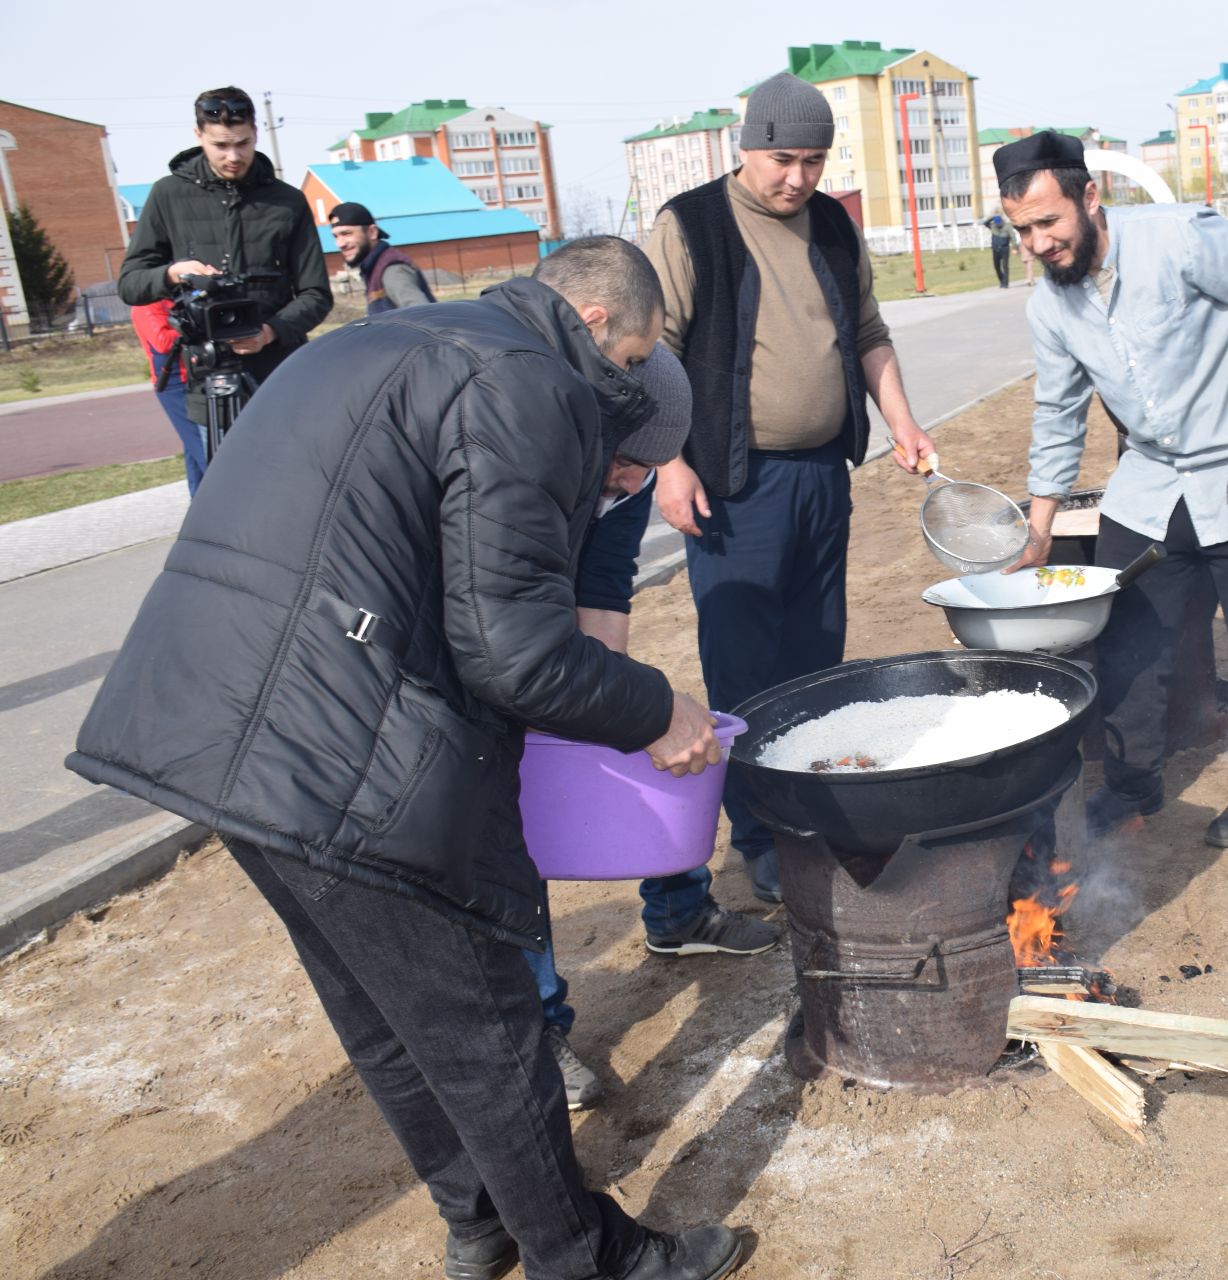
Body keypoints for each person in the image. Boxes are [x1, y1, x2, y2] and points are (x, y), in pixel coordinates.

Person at [68, 237, 744, 1280]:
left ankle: (477, 1218)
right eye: (628, 369)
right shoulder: (531, 383)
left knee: (383, 1009)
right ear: (600, 325)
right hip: (328, 741)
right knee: (488, 1021)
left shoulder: (397, 339)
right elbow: (513, 651)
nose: (613, 436)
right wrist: (656, 707)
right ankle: (582, 1253)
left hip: (209, 727)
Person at [643, 72, 935, 905]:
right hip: (732, 483)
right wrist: (669, 462)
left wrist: (903, 422)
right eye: (782, 159)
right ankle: (761, 837)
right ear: (746, 145)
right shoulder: (692, 223)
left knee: (816, 657)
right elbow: (653, 350)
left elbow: (870, 334)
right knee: (743, 667)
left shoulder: (836, 227)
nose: (797, 179)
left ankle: (812, 817)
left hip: (821, 476)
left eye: (812, 161)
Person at [997, 130, 1228, 848]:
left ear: (1090, 198)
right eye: (1022, 230)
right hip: (1149, 482)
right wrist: (1040, 527)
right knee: (1125, 639)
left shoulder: (1179, 238)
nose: (1038, 244)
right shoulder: (1050, 307)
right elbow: (1059, 411)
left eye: (1049, 222)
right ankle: (1130, 787)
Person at [530, 350, 781, 1113]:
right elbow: (497, 614)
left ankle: (678, 912)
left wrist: (608, 708)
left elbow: (605, 584)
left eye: (652, 466)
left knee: (643, 721)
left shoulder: (627, 474)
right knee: (498, 820)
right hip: (488, 617)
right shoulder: (530, 462)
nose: (635, 483)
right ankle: (537, 1029)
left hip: (551, 613)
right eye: (627, 464)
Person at [117, 87, 331, 430]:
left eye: (243, 143)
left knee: (292, 479)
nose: (233, 156)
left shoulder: (288, 201)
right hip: (207, 375)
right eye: (220, 145)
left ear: (256, 134)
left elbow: (316, 294)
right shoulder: (167, 195)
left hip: (279, 372)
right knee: (223, 481)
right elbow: (130, 284)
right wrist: (173, 273)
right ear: (198, 135)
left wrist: (270, 332)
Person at [129, 299, 205, 494]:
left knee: (193, 448)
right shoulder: (145, 304)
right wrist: (199, 327)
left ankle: (198, 505)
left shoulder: (176, 297)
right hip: (174, 383)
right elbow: (162, 342)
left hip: (193, 376)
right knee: (201, 447)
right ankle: (222, 496)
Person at [329, 202, 436, 312]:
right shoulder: (373, 269)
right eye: (335, 236)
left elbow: (424, 317)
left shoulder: (392, 270)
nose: (340, 244)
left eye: (347, 233)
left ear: (372, 232)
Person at [987, 214, 1013, 287]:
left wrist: (1015, 247)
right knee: (996, 267)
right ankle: (1001, 280)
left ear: (1002, 221)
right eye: (996, 223)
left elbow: (1013, 236)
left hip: (1004, 249)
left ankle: (1006, 283)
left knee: (1005, 266)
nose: (998, 224)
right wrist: (992, 217)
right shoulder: (993, 226)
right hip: (995, 250)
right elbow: (985, 223)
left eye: (999, 222)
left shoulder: (1007, 226)